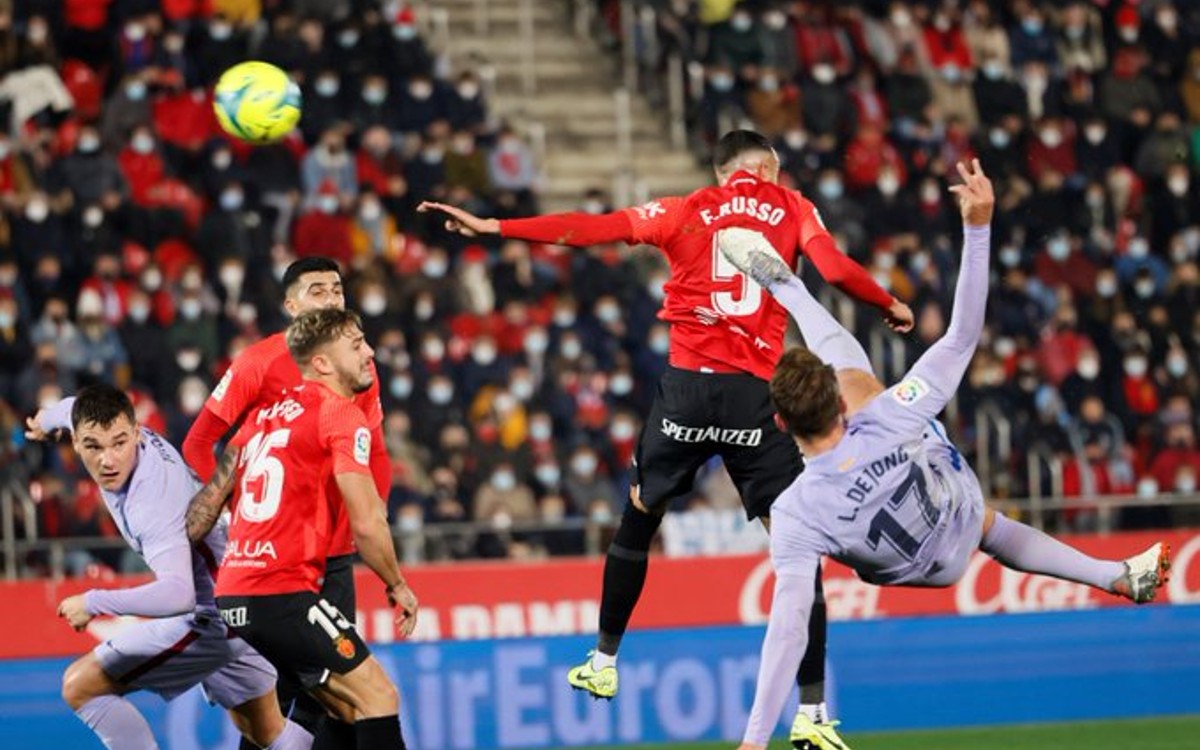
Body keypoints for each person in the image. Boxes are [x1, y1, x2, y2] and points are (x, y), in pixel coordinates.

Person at [419, 129, 915, 747]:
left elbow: (591, 229)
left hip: (686, 391)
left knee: (640, 517)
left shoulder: (685, 209)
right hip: (755, 399)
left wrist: (497, 227)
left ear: (723, 170)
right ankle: (812, 711)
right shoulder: (793, 207)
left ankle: (602, 661)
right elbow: (837, 270)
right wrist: (887, 301)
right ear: (766, 167)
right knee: (797, 544)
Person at [719, 160, 1170, 750]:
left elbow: (788, 629)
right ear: (832, 405)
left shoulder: (796, 515)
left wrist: (753, 742)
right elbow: (961, 336)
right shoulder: (885, 411)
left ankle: (783, 286)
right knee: (878, 394)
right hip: (955, 512)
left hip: (913, 571)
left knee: (881, 438)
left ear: (780, 424)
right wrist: (978, 228)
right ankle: (787, 285)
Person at [24, 385, 310, 750]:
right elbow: (70, 408)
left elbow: (178, 595)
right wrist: (45, 421)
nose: (108, 460)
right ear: (76, 442)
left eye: (119, 444)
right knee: (266, 731)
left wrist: (93, 603)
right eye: (93, 446)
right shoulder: (107, 422)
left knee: (80, 686)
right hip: (247, 596)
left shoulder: (151, 502)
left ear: (137, 433)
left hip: (218, 615)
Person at [186, 309, 419, 750]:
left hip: (236, 593)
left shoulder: (263, 417)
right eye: (356, 345)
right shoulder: (340, 415)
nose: (370, 352)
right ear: (323, 364)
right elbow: (367, 523)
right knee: (379, 696)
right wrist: (396, 583)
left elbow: (211, 498)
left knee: (343, 708)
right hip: (283, 593)